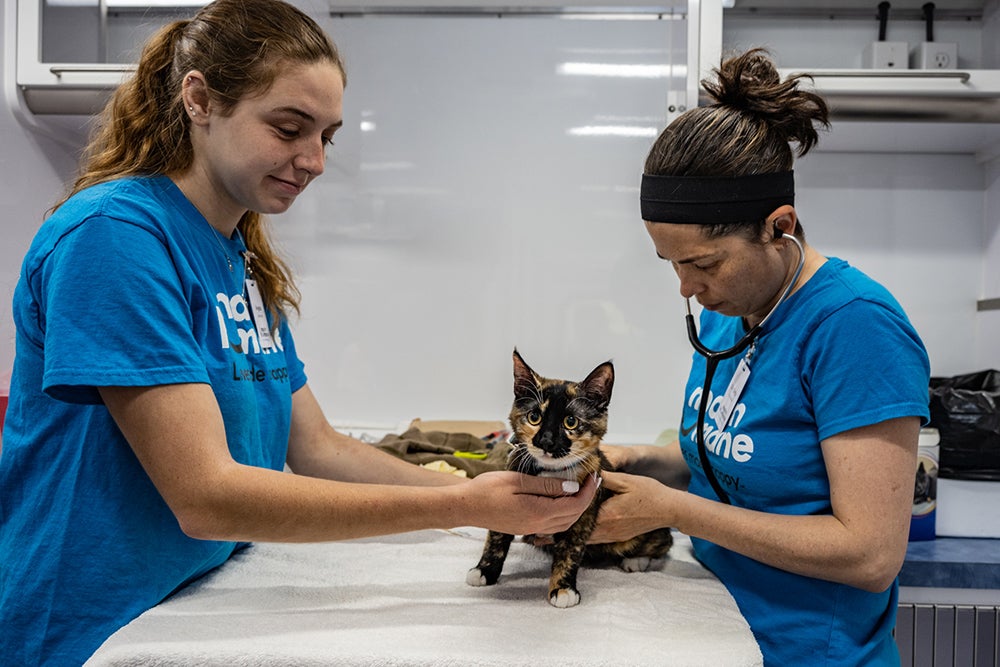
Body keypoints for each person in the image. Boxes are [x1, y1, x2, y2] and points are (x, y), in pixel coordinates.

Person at [0, 1, 598, 664]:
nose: (313, 159)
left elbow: (317, 447)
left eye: (328, 136)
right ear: (199, 99)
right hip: (90, 630)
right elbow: (206, 495)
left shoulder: (242, 262)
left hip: (188, 612)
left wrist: (495, 496)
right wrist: (458, 503)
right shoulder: (115, 238)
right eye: (290, 127)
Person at [595, 49, 930, 666]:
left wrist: (672, 509)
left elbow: (870, 555)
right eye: (672, 264)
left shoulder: (856, 328)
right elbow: (740, 458)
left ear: (779, 227)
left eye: (702, 263)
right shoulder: (733, 307)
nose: (686, 289)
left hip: (808, 651)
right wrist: (644, 462)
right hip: (718, 631)